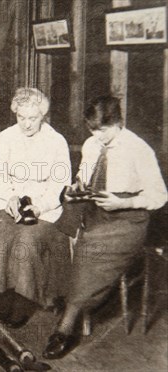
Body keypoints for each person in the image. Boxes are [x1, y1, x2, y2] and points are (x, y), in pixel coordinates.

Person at [43, 96, 167, 359]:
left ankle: (66, 327)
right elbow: (84, 175)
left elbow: (159, 195)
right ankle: (66, 296)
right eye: (92, 130)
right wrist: (76, 187)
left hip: (128, 219)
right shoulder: (92, 144)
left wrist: (126, 201)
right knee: (56, 234)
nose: (97, 136)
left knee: (89, 247)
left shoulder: (139, 149)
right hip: (95, 209)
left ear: (118, 123)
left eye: (102, 130)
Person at [0, 87, 71, 329]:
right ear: (15, 114)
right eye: (21, 118)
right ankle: (2, 294)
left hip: (44, 205)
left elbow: (59, 185)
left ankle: (22, 298)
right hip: (9, 199)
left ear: (43, 116)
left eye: (33, 118)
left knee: (26, 239)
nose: (27, 124)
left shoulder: (56, 141)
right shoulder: (6, 137)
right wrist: (10, 196)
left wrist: (39, 207)